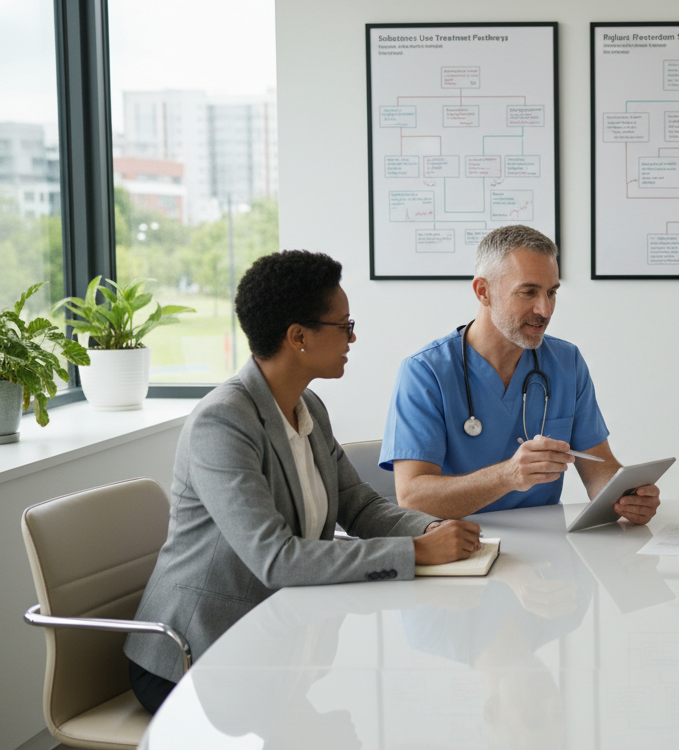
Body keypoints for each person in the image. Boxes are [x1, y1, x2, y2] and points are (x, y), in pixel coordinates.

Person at [124, 250, 481, 714]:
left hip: (273, 643)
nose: (353, 337)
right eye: (344, 326)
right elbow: (275, 559)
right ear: (298, 337)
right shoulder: (223, 423)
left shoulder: (308, 407)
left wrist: (427, 529)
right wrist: (416, 554)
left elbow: (360, 506)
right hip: (195, 657)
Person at [381, 225, 661, 522]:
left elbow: (598, 470)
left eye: (552, 293)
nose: (545, 309)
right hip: (460, 545)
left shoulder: (566, 362)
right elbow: (412, 498)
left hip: (546, 551)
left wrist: (627, 499)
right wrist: (508, 476)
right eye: (528, 292)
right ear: (483, 291)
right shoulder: (425, 372)